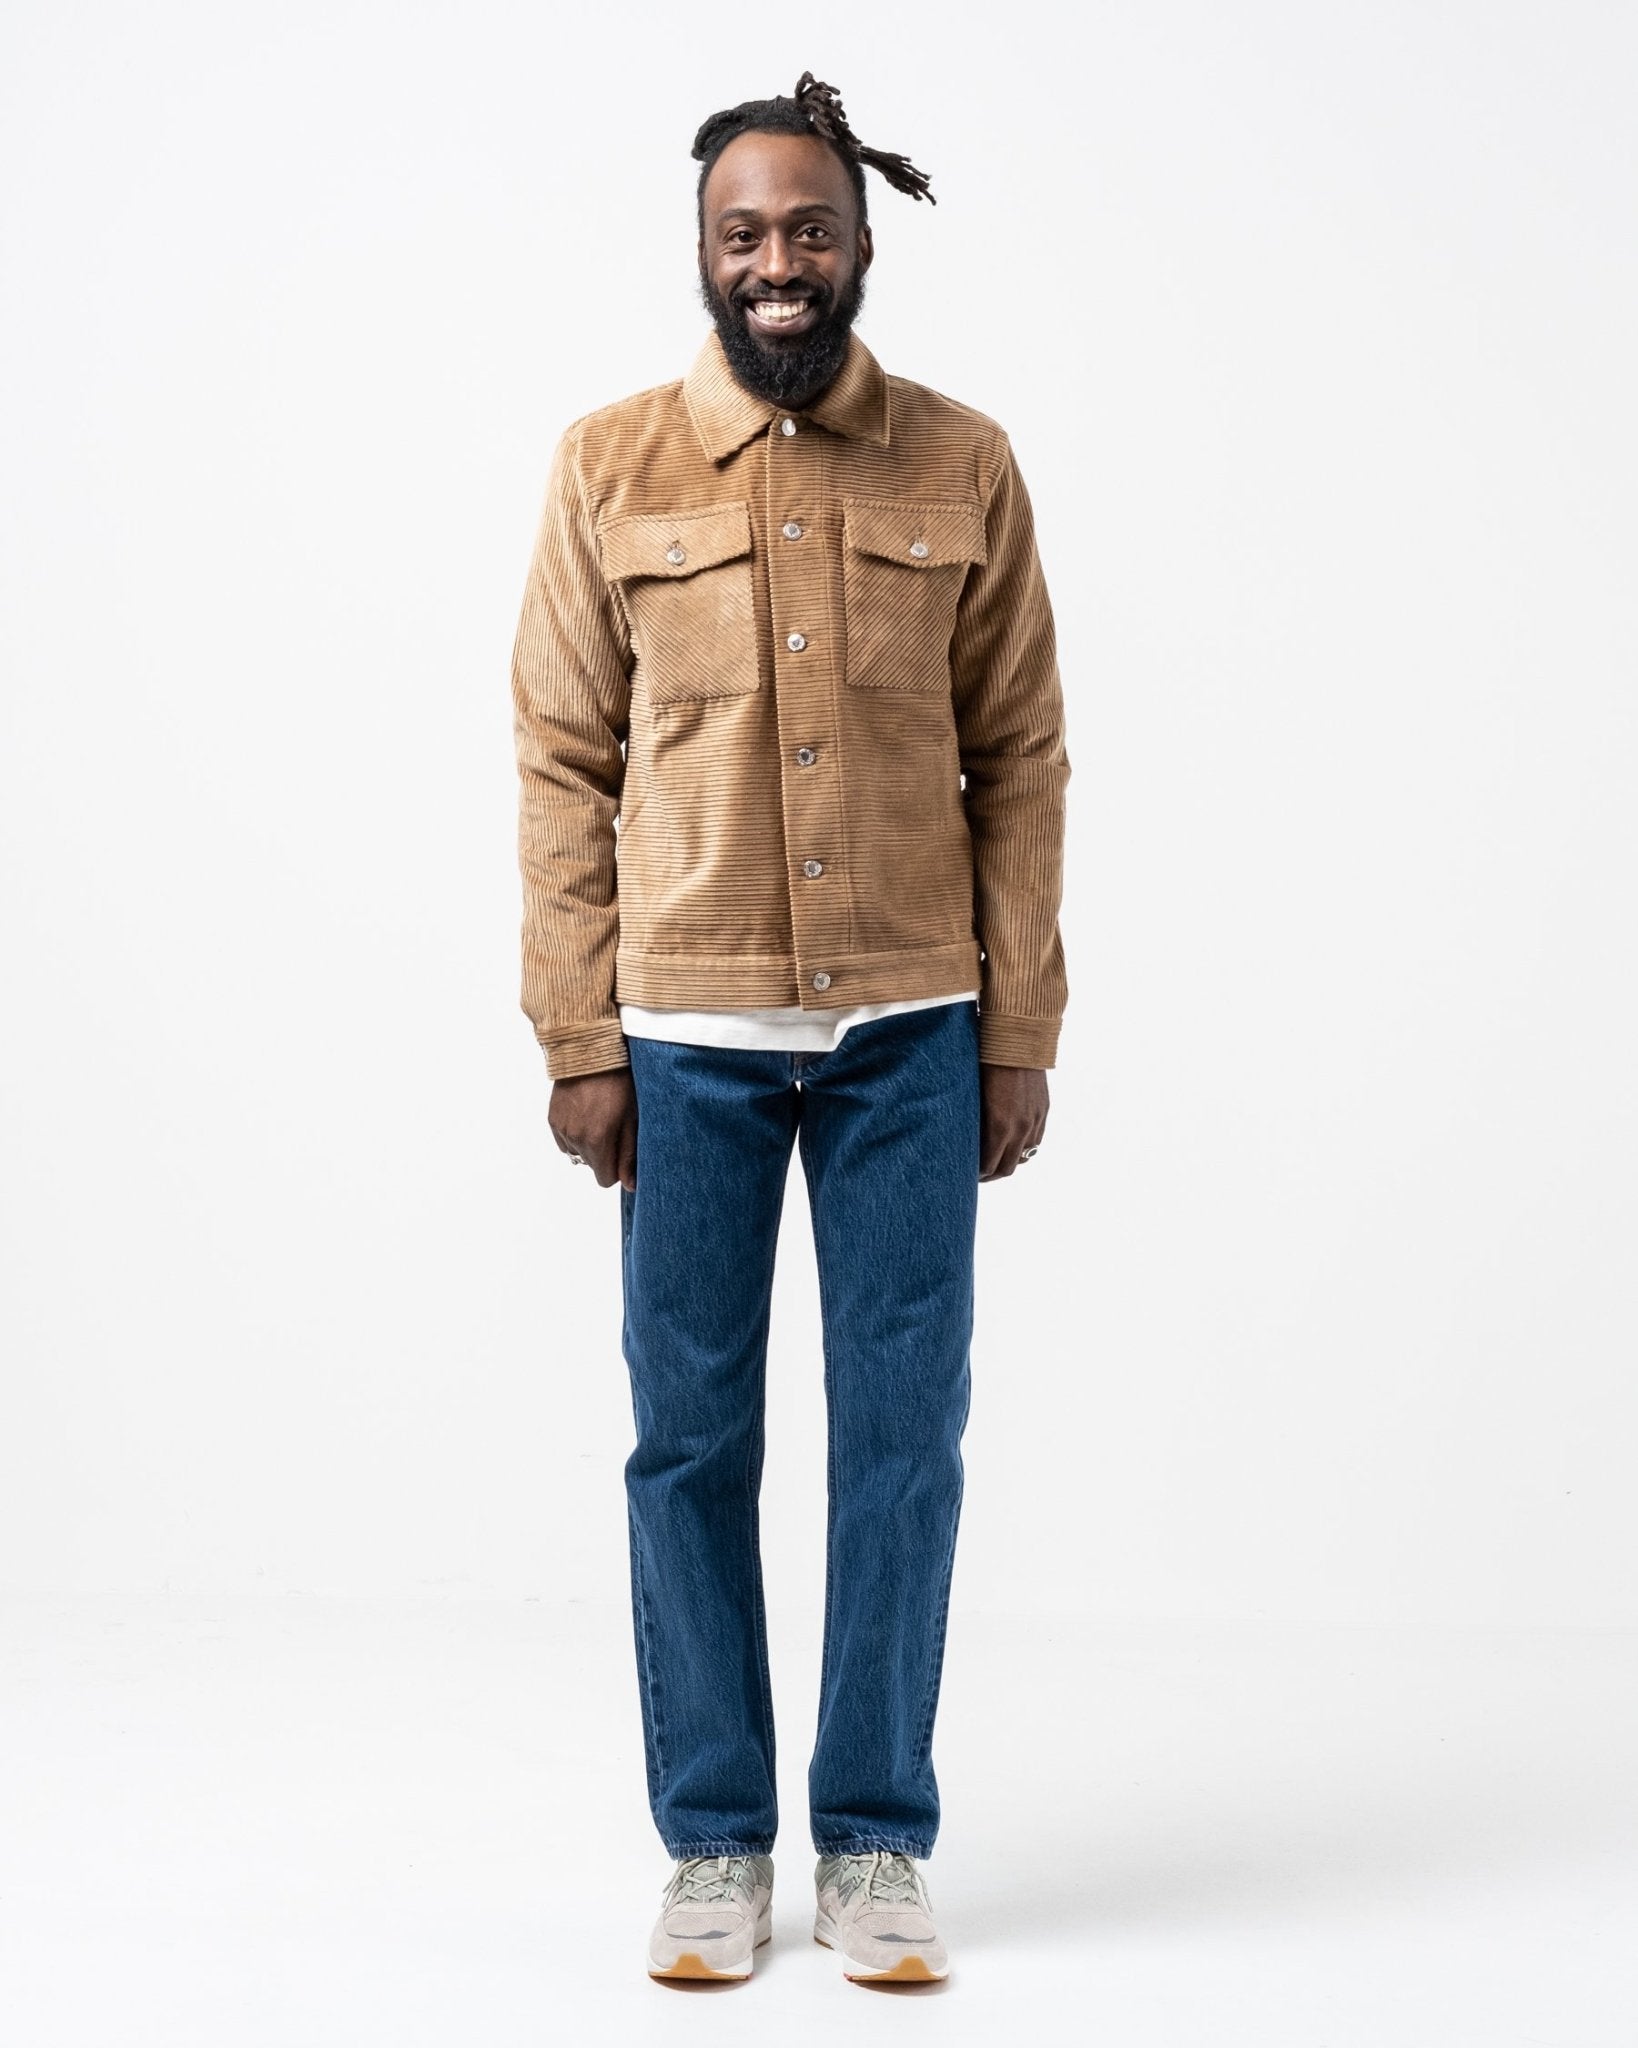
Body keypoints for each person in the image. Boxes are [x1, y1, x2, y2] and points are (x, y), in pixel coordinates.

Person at [508, 70, 1070, 1987]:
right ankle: (715, 1844)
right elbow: (559, 758)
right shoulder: (607, 466)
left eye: (807, 228)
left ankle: (879, 1837)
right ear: (702, 248)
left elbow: (1021, 753)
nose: (776, 261)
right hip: (684, 1033)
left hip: (915, 1028)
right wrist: (577, 1030)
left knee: (902, 1440)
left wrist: (1018, 1027)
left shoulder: (964, 462)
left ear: (858, 244)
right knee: (690, 1443)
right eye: (743, 230)